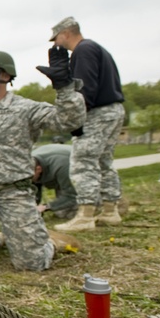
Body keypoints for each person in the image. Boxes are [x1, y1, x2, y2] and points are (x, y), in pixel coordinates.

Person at [0, 51, 84, 271]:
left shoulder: (25, 109)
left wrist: (64, 87)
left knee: (31, 265)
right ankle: (4, 238)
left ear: (5, 75)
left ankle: (49, 242)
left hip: (13, 194)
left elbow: (69, 121)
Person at [47, 17, 126, 232]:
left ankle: (86, 214)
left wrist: (77, 119)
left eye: (56, 39)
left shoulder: (83, 50)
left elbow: (84, 87)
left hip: (97, 112)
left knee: (83, 160)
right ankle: (110, 210)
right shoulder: (97, 48)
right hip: (113, 109)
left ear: (65, 33)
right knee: (103, 160)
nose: (56, 44)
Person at [32, 144, 78, 219]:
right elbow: (33, 187)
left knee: (68, 214)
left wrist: (45, 207)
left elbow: (71, 195)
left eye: (30, 176)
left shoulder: (62, 166)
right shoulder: (29, 162)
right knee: (60, 212)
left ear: (38, 169)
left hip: (82, 173)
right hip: (56, 172)